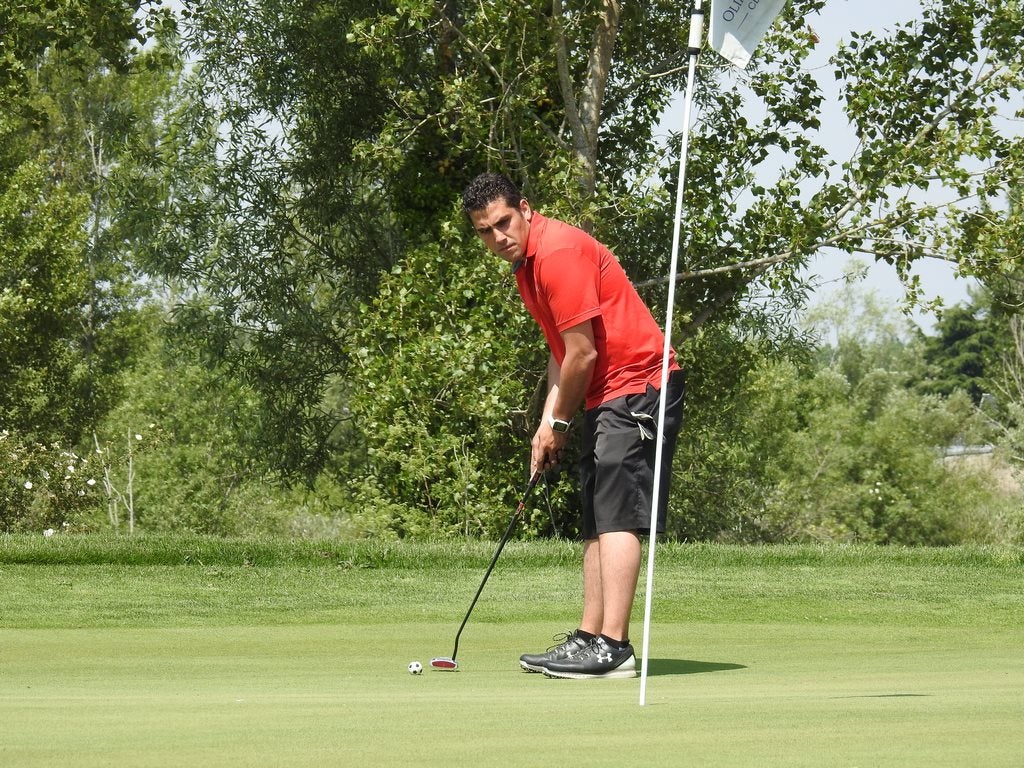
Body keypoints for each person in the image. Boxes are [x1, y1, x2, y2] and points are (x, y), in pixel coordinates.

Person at [461, 172, 685, 679]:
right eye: (485, 231)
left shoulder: (557, 254)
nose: (497, 237)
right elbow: (561, 352)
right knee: (595, 511)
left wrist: (560, 421)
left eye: (503, 223)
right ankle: (589, 637)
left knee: (618, 515)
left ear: (525, 208)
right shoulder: (526, 265)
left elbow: (583, 352)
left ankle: (615, 647)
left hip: (641, 383)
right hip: (608, 392)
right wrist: (546, 425)